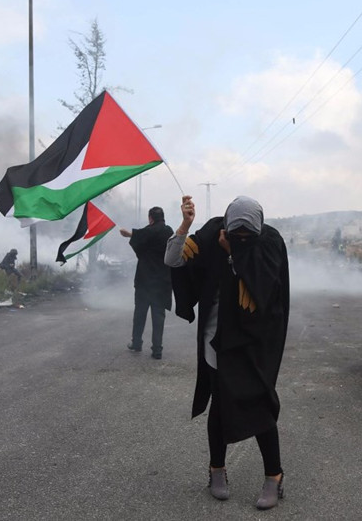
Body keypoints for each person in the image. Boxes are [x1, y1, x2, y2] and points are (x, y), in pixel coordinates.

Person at [165, 195, 290, 510]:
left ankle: (274, 476)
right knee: (220, 406)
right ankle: (216, 470)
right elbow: (173, 261)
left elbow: (268, 288)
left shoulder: (270, 242)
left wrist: (233, 254)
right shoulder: (210, 234)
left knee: (260, 403)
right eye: (238, 236)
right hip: (216, 338)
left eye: (249, 237)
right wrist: (185, 226)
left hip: (253, 340)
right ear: (227, 226)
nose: (244, 240)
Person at [120, 206, 173, 360]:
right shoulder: (169, 231)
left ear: (151, 218)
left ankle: (136, 343)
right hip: (162, 282)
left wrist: (128, 234)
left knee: (140, 314)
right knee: (158, 317)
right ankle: (157, 350)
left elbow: (139, 238)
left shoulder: (148, 231)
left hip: (144, 281)